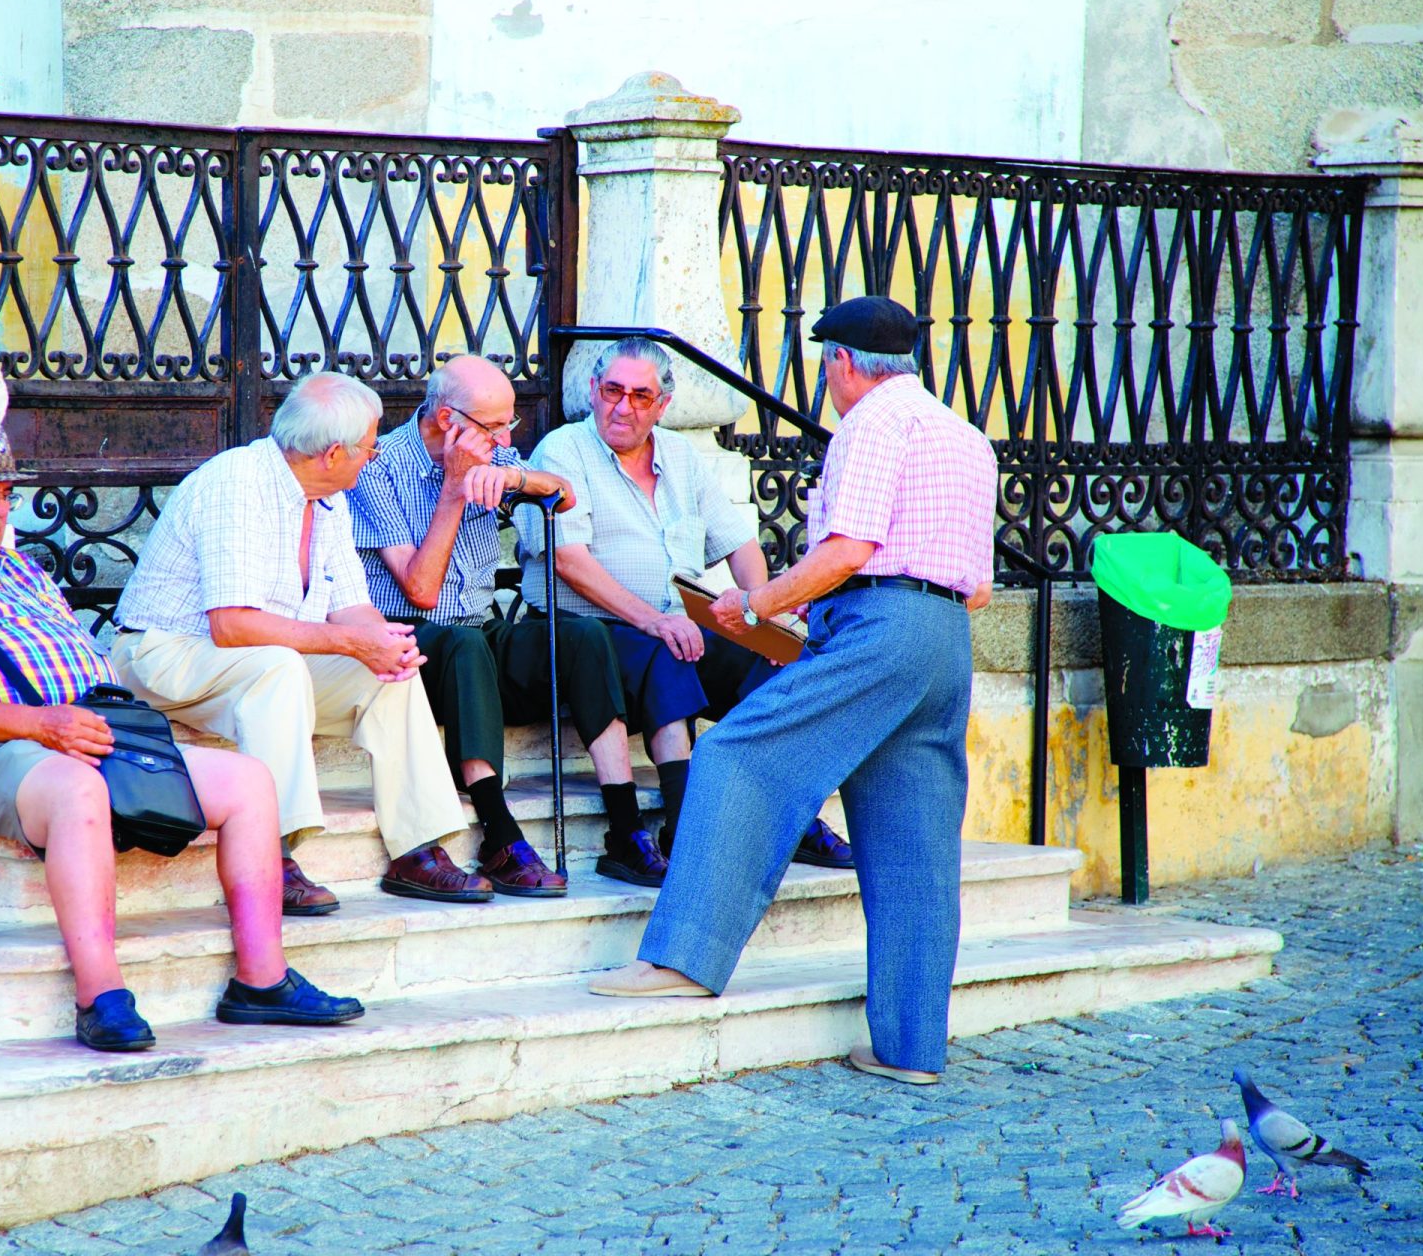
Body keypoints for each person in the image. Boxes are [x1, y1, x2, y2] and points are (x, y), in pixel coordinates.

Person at [0, 416, 363, 1053]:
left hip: (94, 733)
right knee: (76, 791)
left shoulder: (25, 573)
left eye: (4, 495)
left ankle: (262, 981)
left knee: (249, 782)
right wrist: (44, 724)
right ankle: (102, 996)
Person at [587, 297, 999, 1088]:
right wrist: (843, 596)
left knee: (738, 756)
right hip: (943, 641)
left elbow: (851, 547)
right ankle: (911, 1048)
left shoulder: (872, 424)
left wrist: (758, 603)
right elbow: (974, 586)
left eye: (825, 366)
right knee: (914, 842)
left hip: (880, 630)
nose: (826, 381)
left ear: (844, 363)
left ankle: (683, 960)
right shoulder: (964, 437)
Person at [109, 372, 491, 911]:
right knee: (281, 667)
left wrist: (384, 642)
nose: (375, 456)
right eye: (370, 446)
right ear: (334, 453)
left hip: (254, 660)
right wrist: (351, 643)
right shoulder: (238, 483)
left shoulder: (329, 497)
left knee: (391, 675)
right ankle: (273, 853)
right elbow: (232, 625)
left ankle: (418, 849)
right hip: (164, 655)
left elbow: (352, 607)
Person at [516, 337, 855, 883]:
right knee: (668, 652)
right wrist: (653, 620)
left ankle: (788, 817)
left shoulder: (680, 456)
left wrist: (761, 618)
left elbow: (740, 546)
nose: (622, 407)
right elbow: (567, 561)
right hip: (592, 628)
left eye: (639, 396)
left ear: (662, 405)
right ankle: (685, 825)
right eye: (612, 391)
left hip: (675, 624)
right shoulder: (563, 451)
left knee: (780, 666)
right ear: (592, 390)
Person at [349, 354, 660, 896]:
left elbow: (563, 495)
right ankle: (497, 832)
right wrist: (455, 487)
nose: (504, 436)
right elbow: (420, 590)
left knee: (584, 636)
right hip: (409, 641)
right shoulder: (379, 470)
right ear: (448, 421)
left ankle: (626, 827)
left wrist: (517, 475)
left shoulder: (492, 448)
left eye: (508, 424)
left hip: (478, 630)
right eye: (495, 427)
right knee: (465, 643)